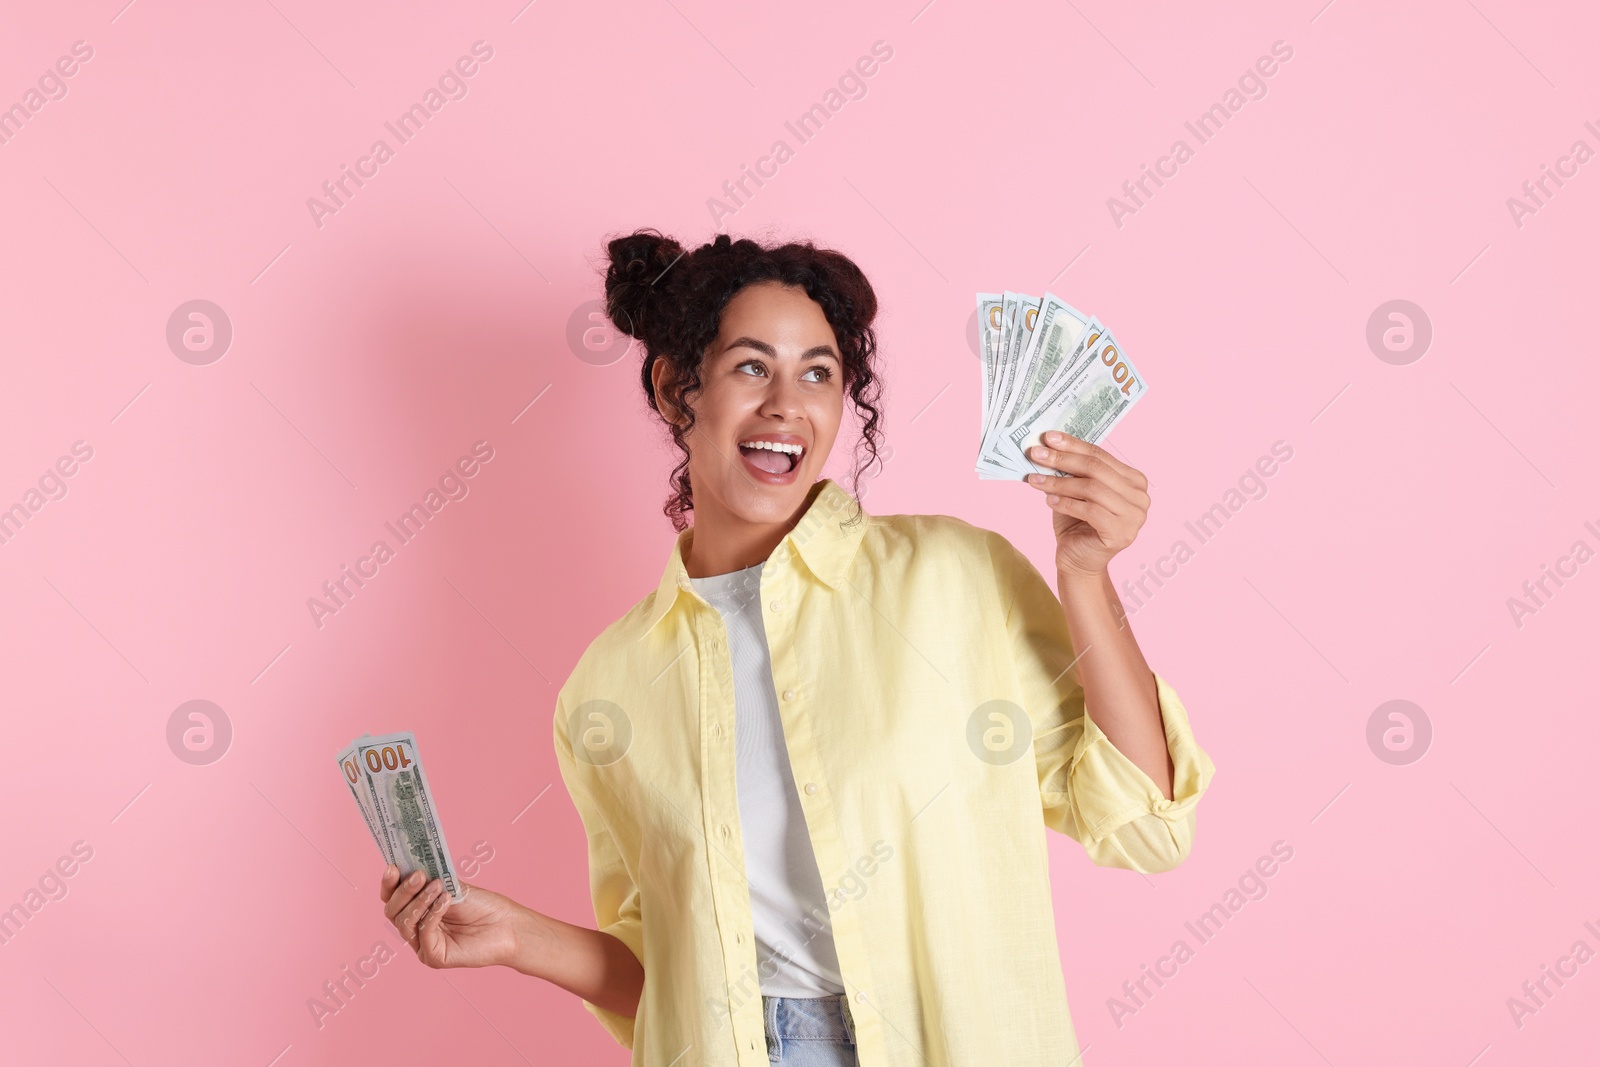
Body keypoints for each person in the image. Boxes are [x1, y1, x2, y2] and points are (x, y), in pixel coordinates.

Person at [379, 229, 1216, 1066]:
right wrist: (519, 936)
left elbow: (1146, 824)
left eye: (818, 372)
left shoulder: (954, 579)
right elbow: (675, 982)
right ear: (678, 391)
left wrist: (1086, 573)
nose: (788, 404)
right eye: (752, 366)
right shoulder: (611, 686)